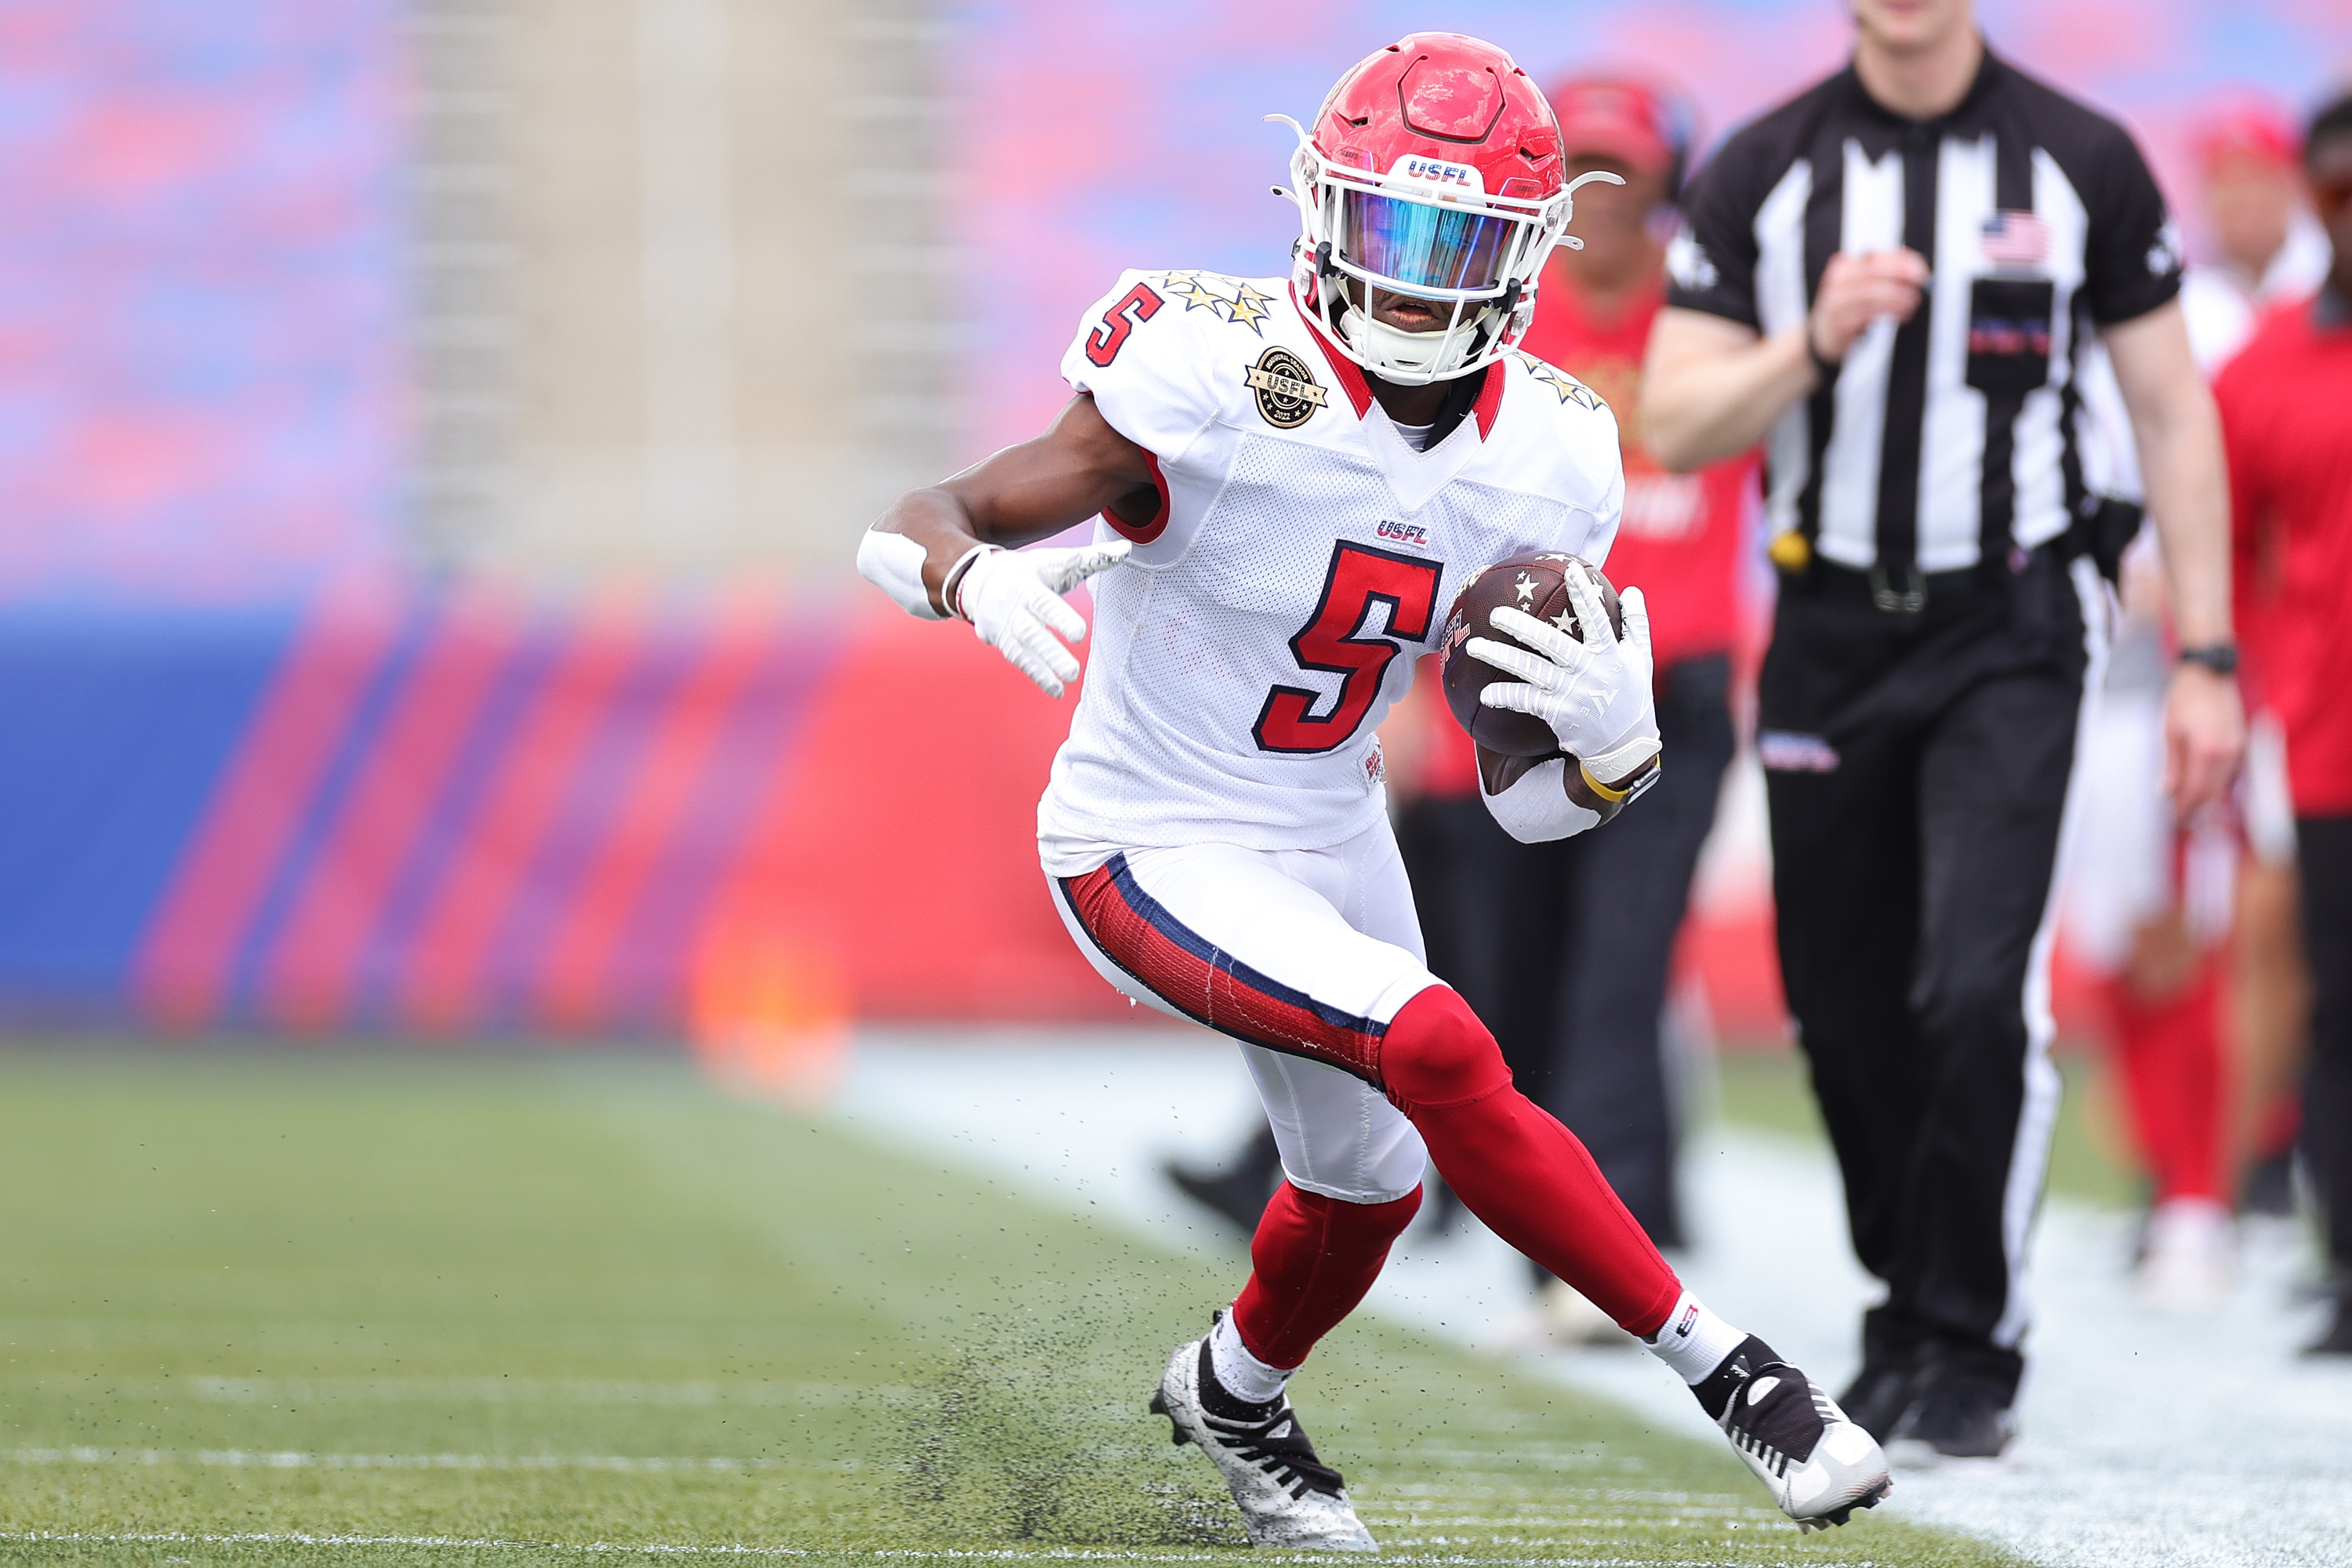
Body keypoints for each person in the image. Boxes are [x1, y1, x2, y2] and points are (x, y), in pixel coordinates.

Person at [857, 34, 1890, 1547]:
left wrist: (1614, 754)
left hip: (1333, 829)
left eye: (1456, 240)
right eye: (1388, 229)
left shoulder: (1554, 451)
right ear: (1320, 215)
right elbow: (927, 513)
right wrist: (962, 573)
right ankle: (1742, 1381)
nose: (1413, 276)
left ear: (1526, 255)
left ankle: (1232, 1391)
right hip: (1149, 833)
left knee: (1368, 1190)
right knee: (1440, 1044)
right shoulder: (1208, 362)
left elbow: (1528, 812)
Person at [1640, 0, 2245, 1461]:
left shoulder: (2080, 157)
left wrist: (2209, 656)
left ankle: (1969, 1341)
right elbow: (1673, 421)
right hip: (1829, 635)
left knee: (1973, 989)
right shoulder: (1766, 168)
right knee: (1840, 1013)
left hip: (2014, 629)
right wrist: (1815, 338)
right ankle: (1905, 1305)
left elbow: (2171, 413)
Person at [2216, 89, 2352, 1357]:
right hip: (2327, 738)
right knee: (2340, 1002)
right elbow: (2220, 551)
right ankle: (2348, 1259)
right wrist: (2239, 687)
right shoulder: (2263, 367)